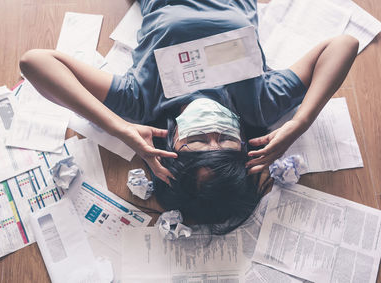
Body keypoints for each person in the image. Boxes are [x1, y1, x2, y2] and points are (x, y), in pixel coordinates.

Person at [19, 0, 359, 234]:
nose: (212, 130)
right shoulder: (259, 105)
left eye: (196, 140)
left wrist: (119, 128)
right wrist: (299, 123)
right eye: (224, 139)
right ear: (244, 141)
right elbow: (344, 44)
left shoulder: (141, 104)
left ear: (170, 144)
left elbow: (35, 62)